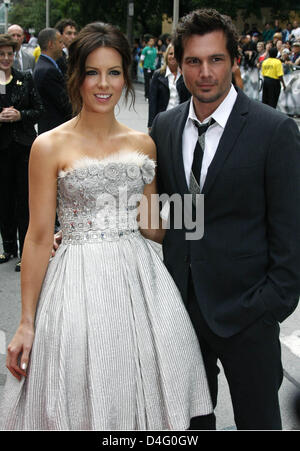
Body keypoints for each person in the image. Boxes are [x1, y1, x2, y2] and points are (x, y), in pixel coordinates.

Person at [0, 21, 212, 431]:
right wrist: (27, 321)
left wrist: (205, 220)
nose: (103, 84)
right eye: (93, 72)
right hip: (75, 282)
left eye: (114, 72)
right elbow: (40, 235)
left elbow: (153, 225)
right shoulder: (49, 146)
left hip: (141, 283)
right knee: (81, 384)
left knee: (145, 391)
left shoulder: (142, 144)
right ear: (76, 76)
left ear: (125, 77)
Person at [150, 8, 300, 430]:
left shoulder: (274, 131)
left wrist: (268, 307)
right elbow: (156, 209)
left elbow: (291, 234)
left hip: (249, 314)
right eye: (194, 61)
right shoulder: (164, 126)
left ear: (235, 60)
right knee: (192, 425)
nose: (205, 72)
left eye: (216, 59)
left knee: (258, 423)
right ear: (178, 64)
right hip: (182, 311)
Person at [0, 34, 44, 271]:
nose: (6, 58)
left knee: (23, 200)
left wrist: (20, 115)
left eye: (10, 53)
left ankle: (25, 251)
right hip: (2, 149)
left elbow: (39, 109)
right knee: (4, 199)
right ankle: (8, 248)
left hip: (25, 148)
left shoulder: (25, 78)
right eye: (2, 54)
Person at [33, 28, 72, 134]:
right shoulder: (48, 71)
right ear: (51, 44)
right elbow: (64, 104)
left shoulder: (47, 65)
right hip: (55, 130)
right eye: (60, 42)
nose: (63, 46)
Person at [148, 43, 191, 130]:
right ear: (166, 55)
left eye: (176, 54)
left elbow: (189, 99)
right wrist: (151, 124)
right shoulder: (158, 74)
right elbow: (152, 101)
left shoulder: (185, 75)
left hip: (180, 121)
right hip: (162, 119)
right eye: (170, 54)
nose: (173, 56)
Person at [140, 36, 157, 101]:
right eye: (151, 41)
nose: (152, 42)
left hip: (153, 68)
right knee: (147, 82)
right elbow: (142, 59)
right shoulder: (145, 49)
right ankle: (146, 96)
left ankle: (152, 95)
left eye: (153, 41)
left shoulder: (155, 49)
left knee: (153, 82)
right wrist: (143, 65)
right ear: (148, 42)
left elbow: (155, 58)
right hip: (146, 68)